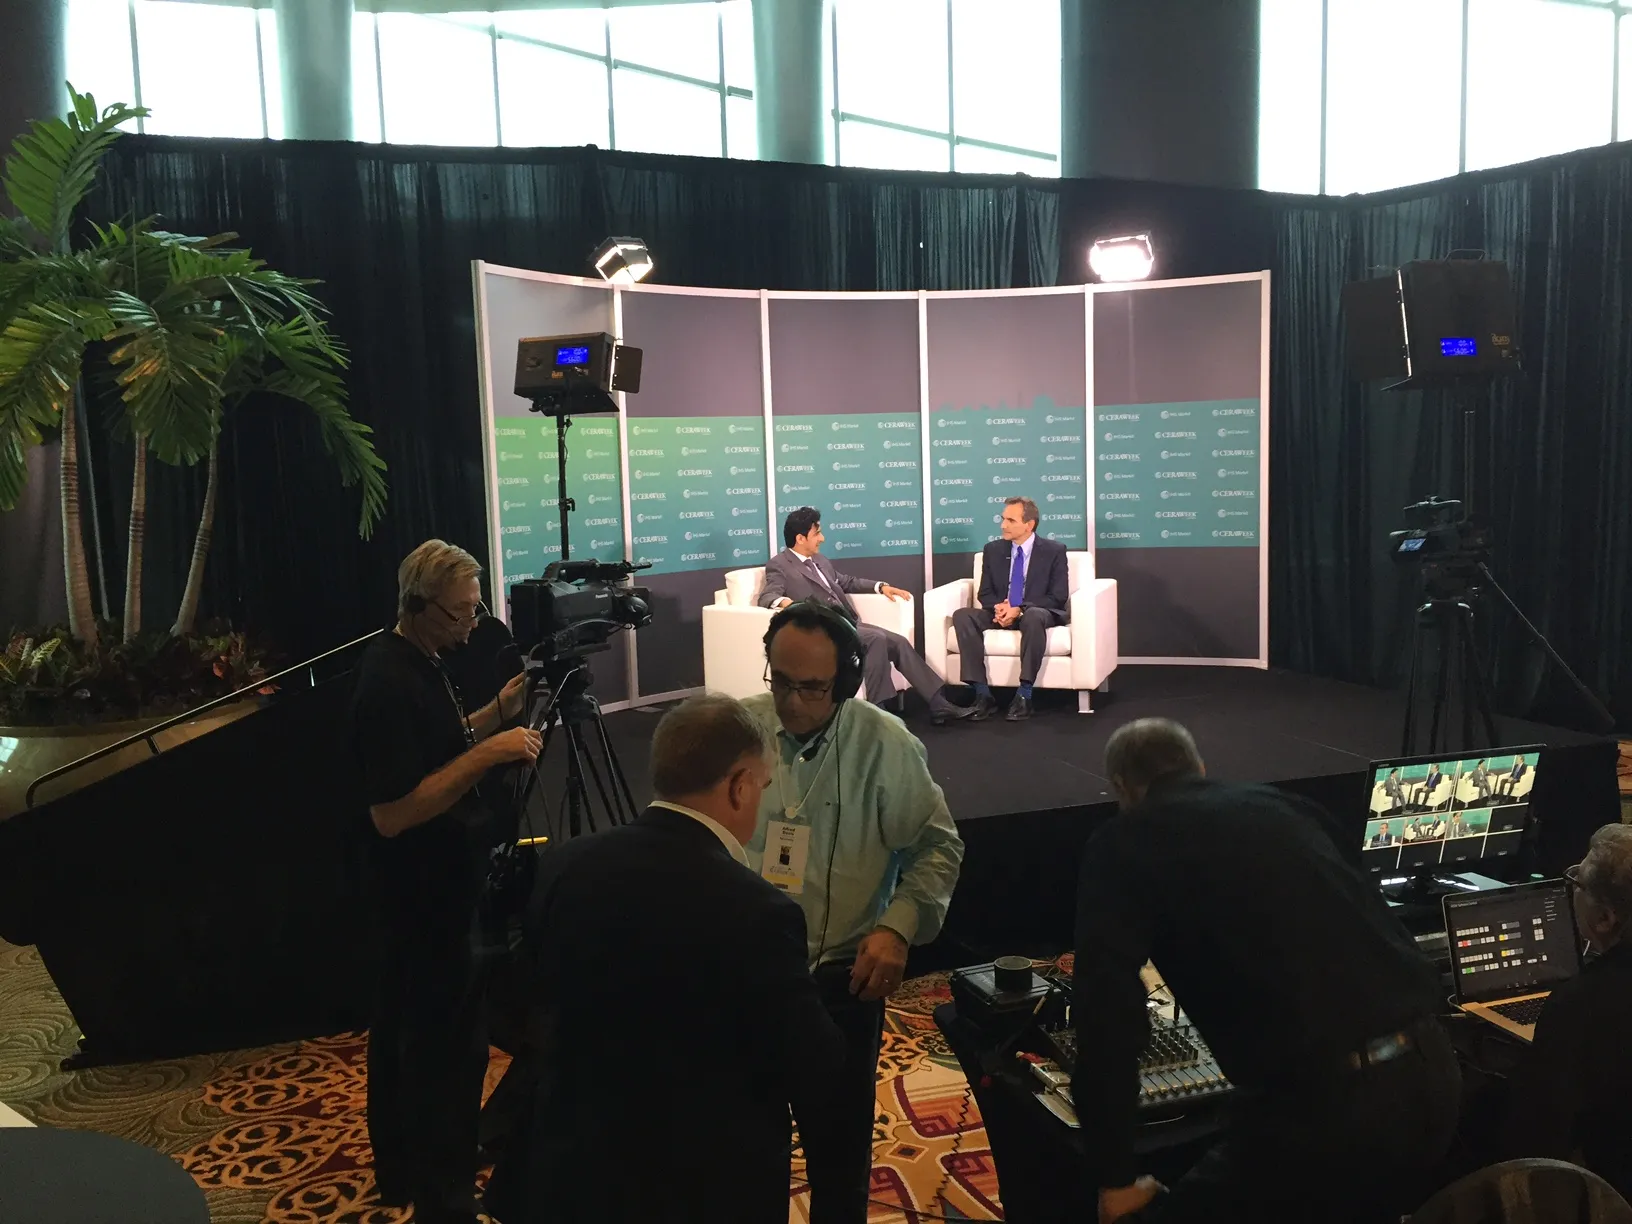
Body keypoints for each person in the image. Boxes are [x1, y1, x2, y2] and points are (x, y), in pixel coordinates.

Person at [1072, 719, 1460, 1224]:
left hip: (1325, 1116)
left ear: (1121, 789)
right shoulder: (1288, 806)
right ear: (1201, 769)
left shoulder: (1120, 843)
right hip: (1434, 1077)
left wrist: (1117, 1177)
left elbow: (1108, 1025)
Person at [484, 694, 846, 1223]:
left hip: (570, 1170)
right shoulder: (759, 911)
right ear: (740, 785)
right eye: (763, 788)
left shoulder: (566, 864)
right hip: (701, 1185)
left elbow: (529, 999)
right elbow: (814, 1065)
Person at [742, 600, 964, 1223]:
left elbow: (937, 847)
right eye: (779, 681)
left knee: (838, 1153)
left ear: (843, 681)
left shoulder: (885, 744)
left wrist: (897, 928)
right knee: (743, 1150)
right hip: (743, 978)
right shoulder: (738, 730)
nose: (790, 703)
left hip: (842, 979)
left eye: (810, 688)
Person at [350, 540, 542, 1223]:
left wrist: (494, 714)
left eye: (476, 609)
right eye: (460, 613)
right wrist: (489, 752)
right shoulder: (385, 679)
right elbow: (394, 811)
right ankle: (440, 1187)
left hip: (440, 888)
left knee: (425, 1037)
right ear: (416, 605)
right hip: (418, 896)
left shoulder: (422, 663)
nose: (472, 625)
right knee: (434, 1049)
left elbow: (437, 740)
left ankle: (417, 1168)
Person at [1499, 823, 1632, 1199]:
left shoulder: (1581, 1007)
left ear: (1605, 919)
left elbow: (1537, 1143)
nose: (1573, 887)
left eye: (1578, 883)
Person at [761, 507, 972, 724]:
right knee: (876, 640)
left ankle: (939, 704)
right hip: (825, 631)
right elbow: (768, 596)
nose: (822, 538)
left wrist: (881, 587)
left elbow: (846, 581)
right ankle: (879, 713)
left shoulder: (820, 560)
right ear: (800, 538)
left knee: (898, 642)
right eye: (817, 533)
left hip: (849, 623)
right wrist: (797, 607)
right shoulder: (780, 565)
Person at [949, 496, 1070, 722]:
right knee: (963, 616)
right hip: (1001, 610)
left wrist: (1019, 608)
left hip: (1036, 611)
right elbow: (984, 593)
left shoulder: (1054, 551)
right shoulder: (993, 550)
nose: (1003, 525)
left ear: (1029, 524)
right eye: (1003, 519)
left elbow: (1058, 597)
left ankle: (1025, 694)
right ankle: (982, 694)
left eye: (1010, 520)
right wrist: (1000, 608)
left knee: (1033, 616)